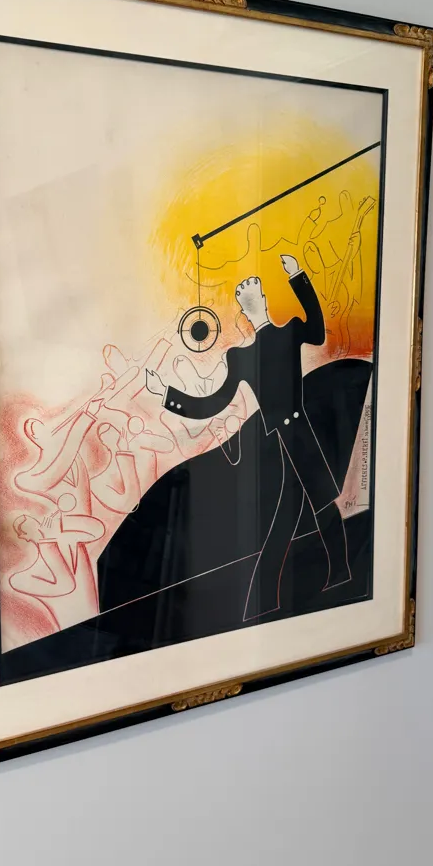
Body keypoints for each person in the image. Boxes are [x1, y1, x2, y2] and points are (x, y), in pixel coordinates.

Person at [146, 254, 351, 620]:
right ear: (244, 309)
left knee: (308, 511)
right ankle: (289, 593)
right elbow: (213, 403)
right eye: (245, 294)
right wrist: (166, 395)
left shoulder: (289, 330)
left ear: (265, 300)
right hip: (281, 440)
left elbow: (318, 331)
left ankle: (323, 581)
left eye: (253, 290)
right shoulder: (241, 357)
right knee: (297, 517)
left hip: (300, 433)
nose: (249, 294)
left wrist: (298, 277)